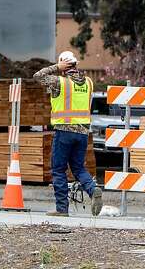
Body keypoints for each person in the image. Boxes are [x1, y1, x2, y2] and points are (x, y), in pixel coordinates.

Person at [34, 50, 103, 217]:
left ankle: (62, 209)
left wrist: (56, 67)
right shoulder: (88, 82)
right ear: (76, 64)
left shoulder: (60, 82)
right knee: (78, 167)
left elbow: (37, 76)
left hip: (64, 131)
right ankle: (93, 190)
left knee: (58, 169)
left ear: (64, 66)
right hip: (83, 132)